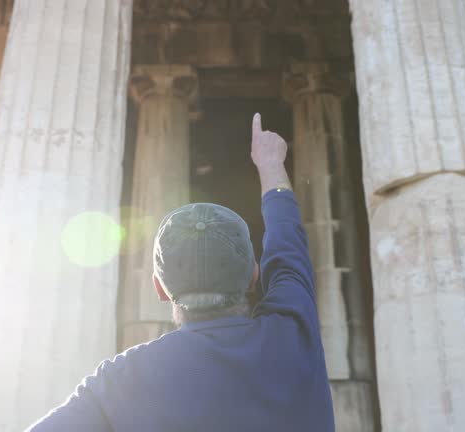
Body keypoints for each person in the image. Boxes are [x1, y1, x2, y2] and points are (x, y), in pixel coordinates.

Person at [27, 113, 335, 432]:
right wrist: (270, 164)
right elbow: (286, 240)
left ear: (159, 288)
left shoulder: (122, 379)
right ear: (255, 276)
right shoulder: (293, 336)